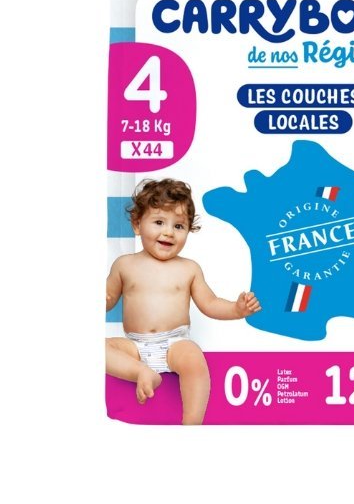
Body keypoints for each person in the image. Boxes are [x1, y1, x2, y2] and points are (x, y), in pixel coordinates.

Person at [106, 178, 261, 424]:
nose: (169, 232)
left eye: (178, 226)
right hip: (135, 345)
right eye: (159, 222)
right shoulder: (124, 265)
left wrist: (236, 309)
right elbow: (108, 298)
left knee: (195, 361)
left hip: (174, 343)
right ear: (137, 225)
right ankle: (141, 372)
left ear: (188, 230)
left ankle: (191, 423)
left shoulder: (189, 269)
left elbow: (210, 303)